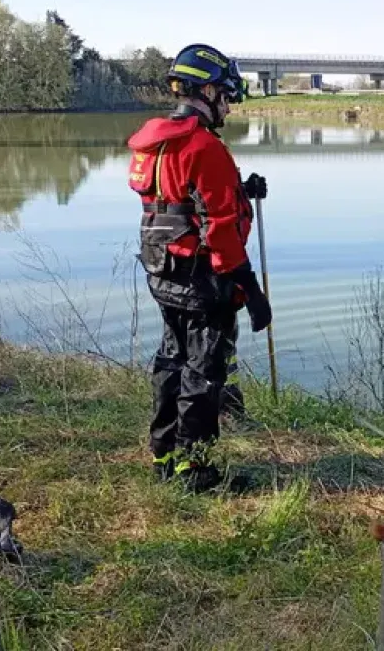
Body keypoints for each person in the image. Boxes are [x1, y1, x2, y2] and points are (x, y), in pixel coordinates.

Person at [126, 43, 272, 492]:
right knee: (204, 373)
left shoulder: (156, 141)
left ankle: (165, 456)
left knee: (172, 361)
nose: (228, 106)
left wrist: (238, 189)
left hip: (162, 269)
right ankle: (197, 472)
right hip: (202, 277)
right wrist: (250, 289)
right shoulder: (205, 146)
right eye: (225, 96)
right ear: (206, 91)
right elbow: (220, 228)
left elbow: (177, 200)